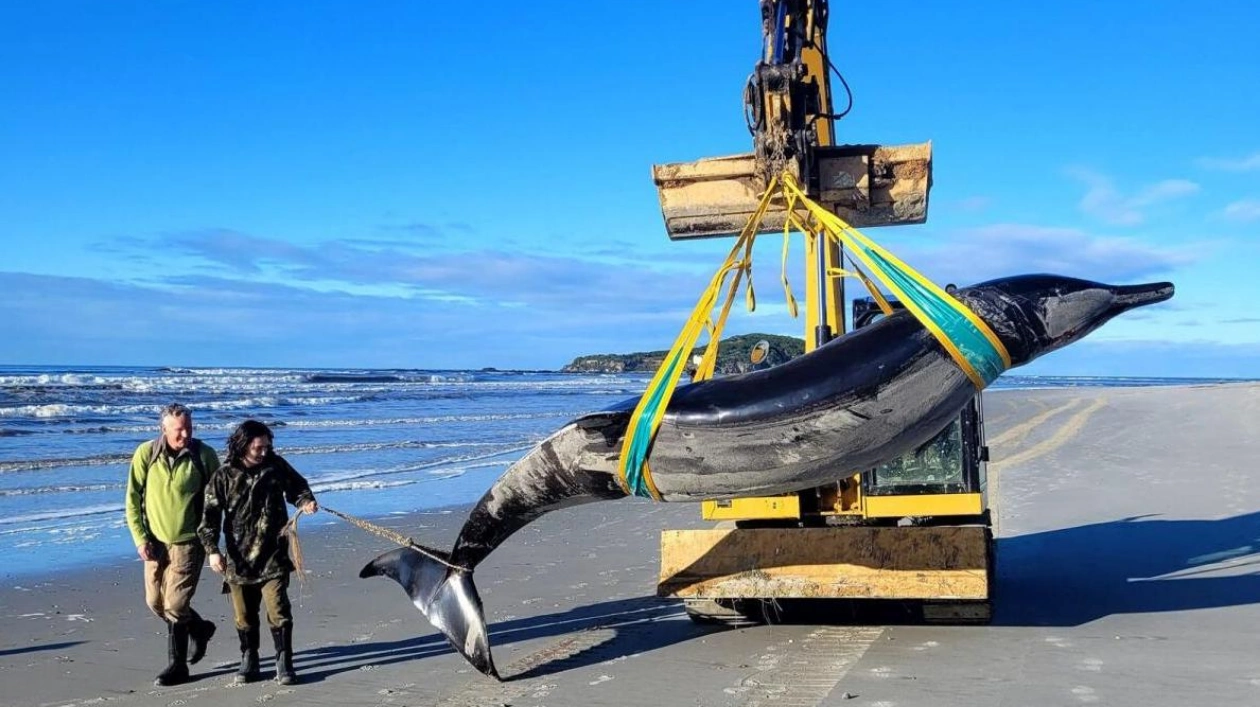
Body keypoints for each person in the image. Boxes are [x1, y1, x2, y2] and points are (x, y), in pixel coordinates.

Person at [199, 420, 318, 685]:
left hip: (273, 555)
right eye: (258, 447)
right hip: (238, 560)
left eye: (267, 446)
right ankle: (249, 659)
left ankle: (284, 662)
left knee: (278, 609)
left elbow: (298, 487)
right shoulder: (224, 476)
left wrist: (306, 501)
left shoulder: (276, 466)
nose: (264, 452)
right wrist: (212, 551)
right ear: (243, 445)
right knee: (244, 615)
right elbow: (209, 517)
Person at [124, 403, 221, 687]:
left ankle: (177, 666)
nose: (185, 434)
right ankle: (200, 629)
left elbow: (218, 501)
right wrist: (140, 538)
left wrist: (213, 543)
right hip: (154, 543)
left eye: (189, 428)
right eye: (178, 430)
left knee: (176, 604)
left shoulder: (204, 456)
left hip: (189, 542)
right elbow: (132, 499)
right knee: (155, 603)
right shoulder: (146, 453)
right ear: (163, 429)